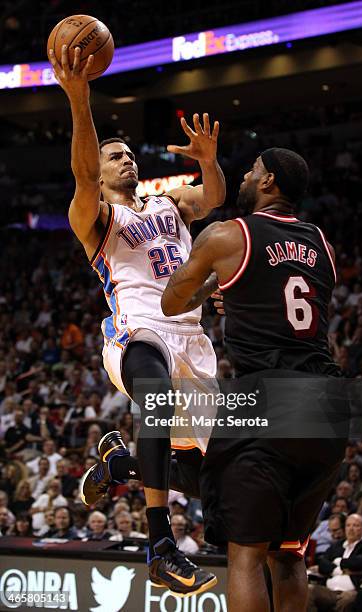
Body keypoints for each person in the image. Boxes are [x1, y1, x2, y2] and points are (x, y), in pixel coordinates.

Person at [48, 44, 225, 596]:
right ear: (98, 176)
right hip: (137, 332)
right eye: (114, 157)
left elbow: (214, 197)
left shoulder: (170, 205)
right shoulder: (97, 215)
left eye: (129, 154)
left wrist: (208, 161)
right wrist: (80, 101)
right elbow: (79, 175)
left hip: (192, 340)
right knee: (154, 394)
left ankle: (122, 466)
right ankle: (160, 546)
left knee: (210, 479)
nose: (127, 161)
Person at [161, 147, 349, 612]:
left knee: (245, 555)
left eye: (252, 171)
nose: (245, 177)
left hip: (267, 397)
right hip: (326, 402)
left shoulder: (227, 235)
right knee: (288, 556)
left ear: (268, 183)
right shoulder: (322, 244)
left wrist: (214, 287)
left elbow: (171, 302)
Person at [307, 514, 362, 611]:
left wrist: (339, 562)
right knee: (309, 590)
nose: (351, 529)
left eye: (355, 525)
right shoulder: (337, 545)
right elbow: (322, 562)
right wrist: (337, 570)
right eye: (348, 525)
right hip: (329, 590)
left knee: (347, 600)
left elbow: (361, 562)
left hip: (353, 591)